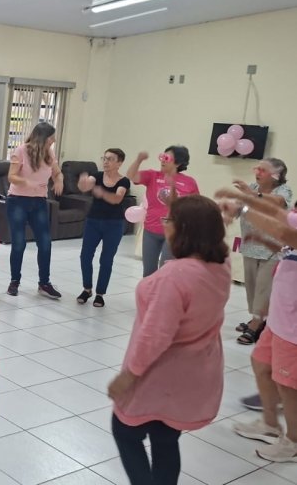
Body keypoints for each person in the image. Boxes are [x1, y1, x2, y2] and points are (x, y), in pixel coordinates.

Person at [108, 195, 231, 485]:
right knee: (166, 438)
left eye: (169, 220)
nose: (164, 225)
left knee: (125, 430)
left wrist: (129, 376)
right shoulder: (221, 265)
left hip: (161, 375)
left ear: (184, 229)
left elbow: (154, 336)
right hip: (196, 372)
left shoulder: (175, 276)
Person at [217, 187, 297, 462]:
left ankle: (293, 442)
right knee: (262, 364)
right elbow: (283, 224)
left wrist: (244, 207)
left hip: (294, 328)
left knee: (289, 385)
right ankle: (270, 424)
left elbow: (285, 230)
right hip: (280, 317)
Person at [232, 159, 291, 345]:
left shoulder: (282, 191)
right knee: (251, 287)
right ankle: (257, 318)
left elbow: (278, 203)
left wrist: (252, 194)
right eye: (257, 169)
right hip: (250, 247)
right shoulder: (252, 187)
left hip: (271, 250)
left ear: (276, 175)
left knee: (264, 289)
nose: (257, 172)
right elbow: (241, 209)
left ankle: (257, 324)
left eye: (263, 170)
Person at [5, 122, 63, 298]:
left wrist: (59, 179)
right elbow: (11, 176)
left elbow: (57, 172)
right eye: (51, 138)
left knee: (45, 243)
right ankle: (14, 281)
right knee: (19, 243)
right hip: (17, 201)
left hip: (38, 202)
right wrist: (26, 182)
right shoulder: (21, 150)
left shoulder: (49, 153)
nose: (53, 141)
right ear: (42, 138)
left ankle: (44, 283)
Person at [125, 145, 200, 277]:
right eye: (162, 157)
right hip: (151, 231)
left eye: (167, 158)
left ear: (178, 162)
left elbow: (196, 207)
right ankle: (149, 297)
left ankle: (164, 296)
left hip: (174, 233)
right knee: (148, 271)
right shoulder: (152, 176)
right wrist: (138, 160)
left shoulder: (189, 182)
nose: (162, 160)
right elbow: (131, 176)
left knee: (166, 271)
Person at [76, 148, 131, 308]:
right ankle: (87, 289)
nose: (105, 161)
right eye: (104, 158)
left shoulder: (124, 181)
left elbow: (117, 199)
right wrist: (83, 180)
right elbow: (85, 187)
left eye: (110, 159)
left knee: (106, 259)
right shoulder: (98, 175)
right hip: (93, 221)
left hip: (114, 224)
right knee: (85, 256)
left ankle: (100, 294)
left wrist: (103, 194)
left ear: (119, 163)